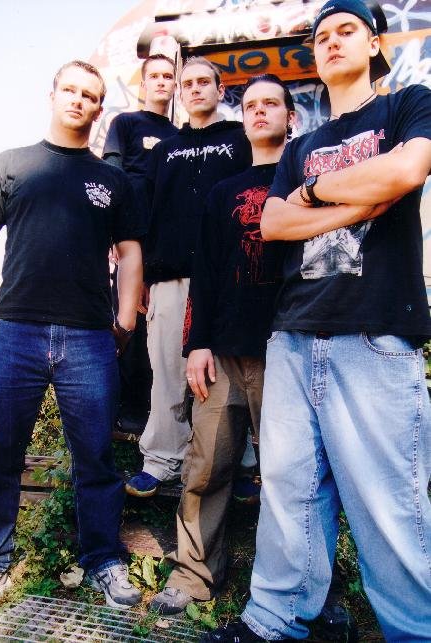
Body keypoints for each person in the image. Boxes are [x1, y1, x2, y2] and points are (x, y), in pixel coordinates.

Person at [204, 1, 431, 641]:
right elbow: (274, 222)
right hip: (293, 334)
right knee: (289, 493)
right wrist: (351, 198)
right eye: (321, 35)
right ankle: (275, 621)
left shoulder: (407, 105)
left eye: (346, 31)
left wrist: (314, 196)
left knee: (391, 503)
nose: (331, 42)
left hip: (374, 333)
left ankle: (415, 631)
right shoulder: (301, 145)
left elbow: (407, 168)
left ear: (375, 43)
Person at [0, 60, 144, 614]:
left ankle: (103, 560)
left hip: (89, 339)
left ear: (99, 108)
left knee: (95, 456)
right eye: (69, 90)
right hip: (14, 331)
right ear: (52, 96)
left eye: (89, 95)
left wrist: (125, 322)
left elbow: (131, 252)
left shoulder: (111, 181)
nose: (78, 100)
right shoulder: (11, 165)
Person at [148, 73, 293, 613]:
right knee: (206, 466)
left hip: (286, 349)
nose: (260, 112)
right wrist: (197, 344)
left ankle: (291, 585)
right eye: (251, 105)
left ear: (290, 117)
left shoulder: (305, 177)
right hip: (224, 352)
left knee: (289, 471)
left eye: (271, 103)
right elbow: (205, 276)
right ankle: (194, 574)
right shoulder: (222, 192)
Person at [125, 57, 252, 497]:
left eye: (204, 82)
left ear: (220, 89)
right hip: (171, 277)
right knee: (167, 372)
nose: (196, 89)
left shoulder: (240, 140)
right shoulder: (163, 151)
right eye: (188, 84)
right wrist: (143, 276)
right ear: (180, 93)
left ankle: (238, 465)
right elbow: (145, 215)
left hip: (231, 278)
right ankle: (162, 459)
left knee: (231, 372)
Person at [103, 54, 177, 432]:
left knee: (158, 327)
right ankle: (125, 414)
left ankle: (152, 415)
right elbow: (111, 172)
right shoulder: (126, 123)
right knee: (126, 318)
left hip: (165, 245)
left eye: (168, 76)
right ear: (143, 84)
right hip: (129, 238)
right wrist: (110, 229)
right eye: (155, 76)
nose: (162, 81)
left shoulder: (180, 135)